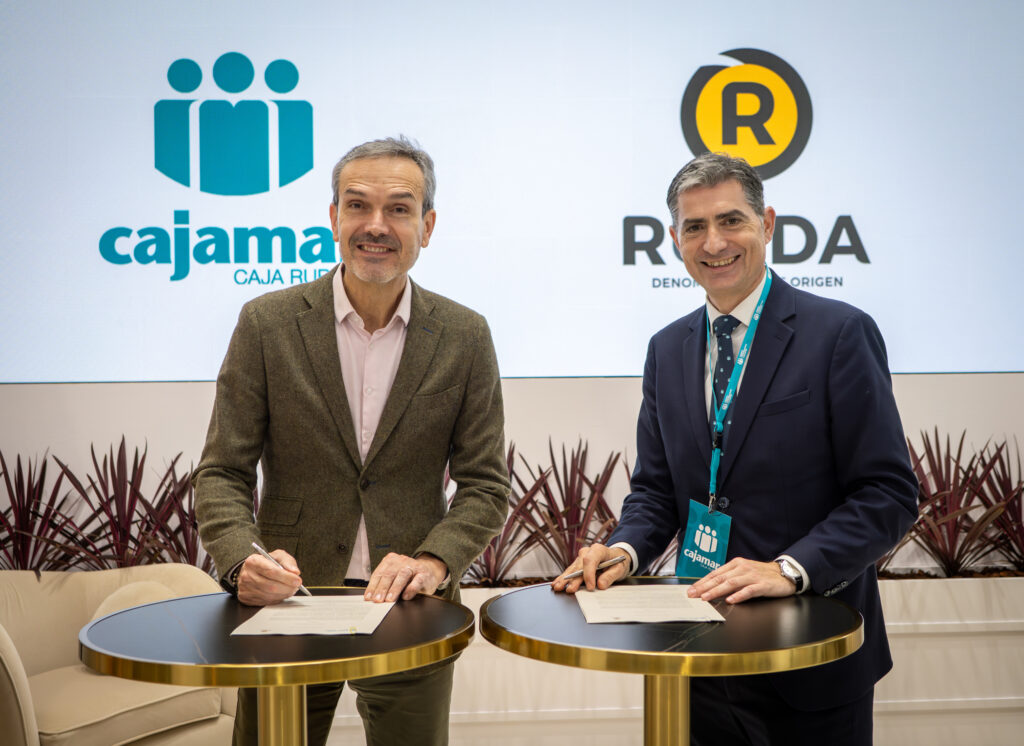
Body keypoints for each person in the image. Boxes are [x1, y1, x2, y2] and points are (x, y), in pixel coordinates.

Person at [552, 152, 918, 745]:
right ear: (674, 239)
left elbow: (887, 494)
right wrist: (623, 549)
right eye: (695, 227)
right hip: (698, 650)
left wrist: (788, 570)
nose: (714, 242)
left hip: (810, 656)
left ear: (767, 225)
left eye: (731, 221)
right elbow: (656, 491)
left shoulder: (838, 333)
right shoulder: (666, 348)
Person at [194, 136, 510, 746]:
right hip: (289, 603)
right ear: (334, 217)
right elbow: (222, 472)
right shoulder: (267, 323)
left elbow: (486, 485)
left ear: (427, 226)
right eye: (358, 205)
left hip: (412, 605)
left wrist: (433, 562)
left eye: (399, 208)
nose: (376, 225)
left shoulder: (465, 334)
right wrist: (240, 559)